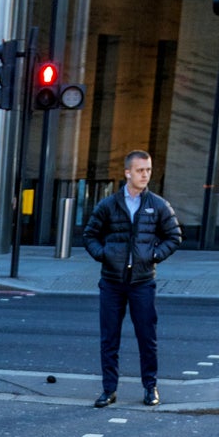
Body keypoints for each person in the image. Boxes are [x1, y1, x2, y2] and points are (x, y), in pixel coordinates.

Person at [82, 150, 182, 408]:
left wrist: (154, 255)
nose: (145, 175)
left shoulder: (157, 205)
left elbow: (174, 236)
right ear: (127, 173)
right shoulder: (109, 205)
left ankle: (150, 387)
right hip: (112, 282)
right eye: (140, 170)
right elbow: (89, 234)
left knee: (147, 338)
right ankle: (109, 390)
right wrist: (103, 255)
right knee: (109, 338)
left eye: (148, 170)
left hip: (142, 282)